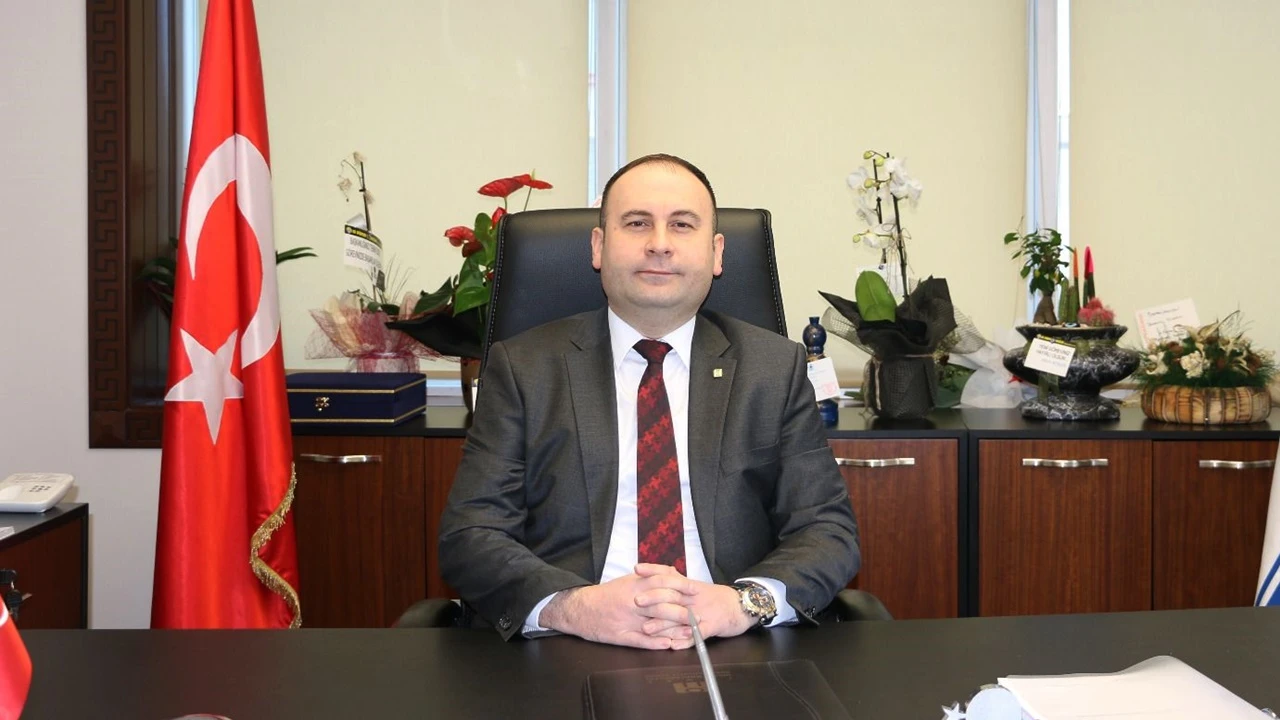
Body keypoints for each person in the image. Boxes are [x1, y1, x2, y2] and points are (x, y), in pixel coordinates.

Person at [438, 153, 859, 649]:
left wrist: (741, 604)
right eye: (637, 223)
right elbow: (471, 534)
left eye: (682, 225)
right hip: (568, 642)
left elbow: (826, 530)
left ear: (716, 253)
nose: (659, 243)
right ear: (599, 246)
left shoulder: (774, 369)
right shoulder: (524, 367)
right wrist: (574, 608)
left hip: (732, 639)